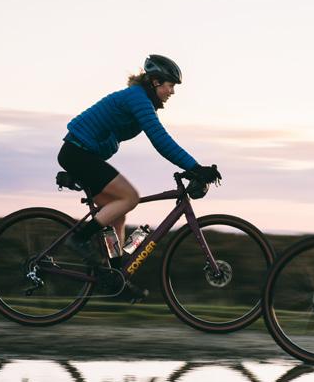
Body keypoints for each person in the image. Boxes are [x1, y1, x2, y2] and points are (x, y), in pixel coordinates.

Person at [58, 54, 221, 295]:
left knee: (118, 213)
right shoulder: (138, 98)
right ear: (155, 81)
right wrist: (195, 168)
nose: (172, 92)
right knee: (130, 197)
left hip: (82, 155)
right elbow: (160, 139)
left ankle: (115, 278)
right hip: (78, 153)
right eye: (170, 85)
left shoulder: (141, 100)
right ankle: (79, 239)